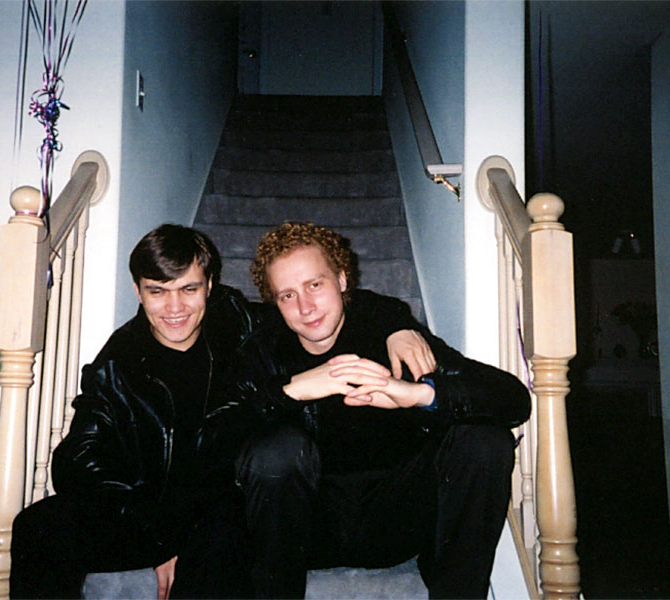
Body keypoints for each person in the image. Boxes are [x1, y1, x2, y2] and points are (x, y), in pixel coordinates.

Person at [9, 223, 436, 599]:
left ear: (209, 286)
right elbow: (75, 462)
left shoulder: (238, 322)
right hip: (147, 509)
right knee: (38, 525)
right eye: (157, 291)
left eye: (188, 289)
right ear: (138, 292)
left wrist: (396, 323)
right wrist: (159, 533)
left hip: (221, 500)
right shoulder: (120, 360)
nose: (175, 308)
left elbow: (311, 308)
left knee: (220, 531)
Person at [221, 222, 531, 599]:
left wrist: (419, 395)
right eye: (287, 295)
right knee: (277, 449)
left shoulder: (390, 334)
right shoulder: (263, 350)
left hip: (397, 518)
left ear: (342, 279)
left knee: (485, 441)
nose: (305, 307)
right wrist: (291, 391)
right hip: (308, 531)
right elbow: (218, 435)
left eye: (315, 285)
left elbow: (513, 399)